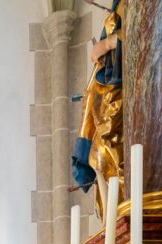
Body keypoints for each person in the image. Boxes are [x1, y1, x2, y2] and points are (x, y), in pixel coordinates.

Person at [71, 0, 123, 219]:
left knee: (107, 153)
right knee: (99, 156)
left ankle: (118, 217)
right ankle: (112, 221)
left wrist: (108, 43)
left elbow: (145, 32)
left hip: (120, 93)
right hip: (110, 86)